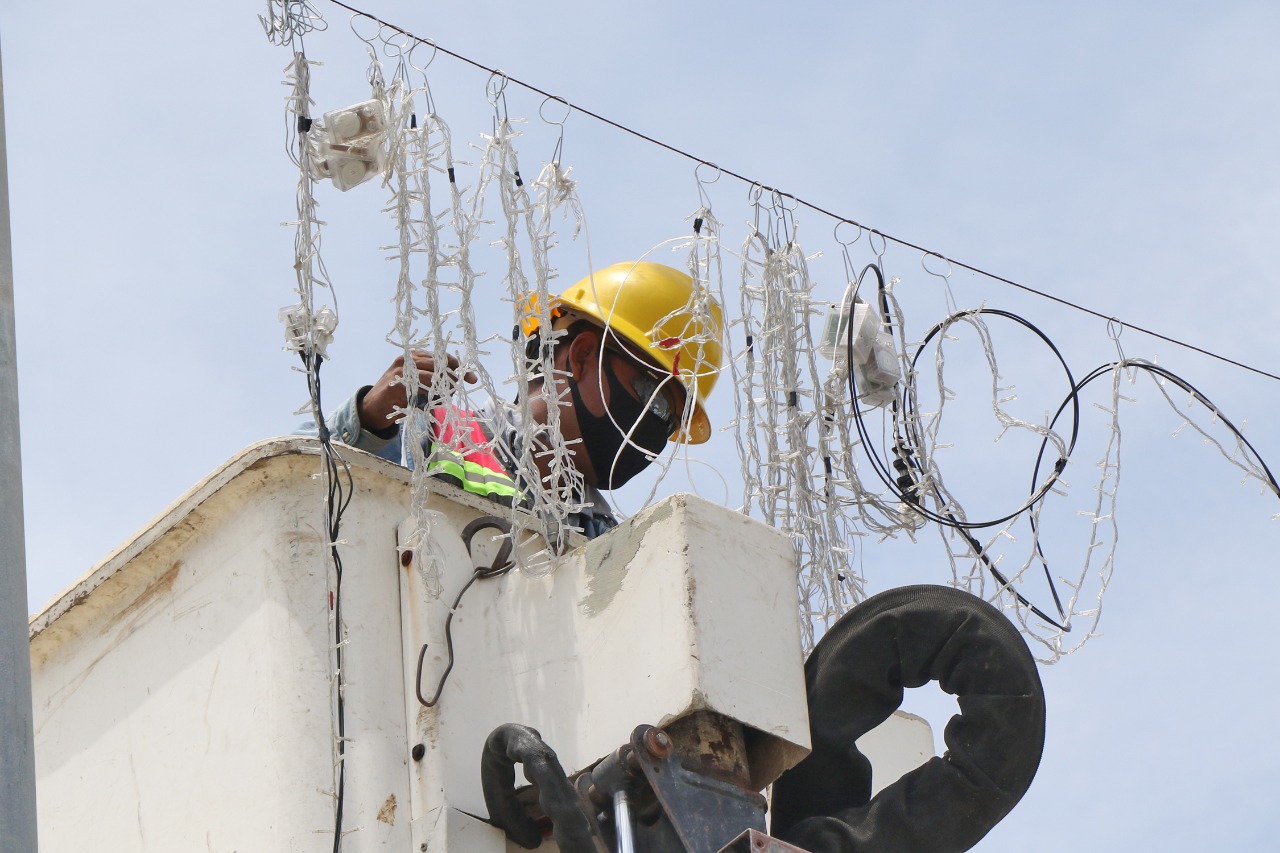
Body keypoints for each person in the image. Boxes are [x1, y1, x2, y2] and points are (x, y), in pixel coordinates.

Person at [306, 261, 724, 538]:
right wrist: (370, 417)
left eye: (671, 422)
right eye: (656, 400)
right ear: (580, 358)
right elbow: (289, 482)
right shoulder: (429, 433)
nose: (655, 429)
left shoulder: (610, 543)